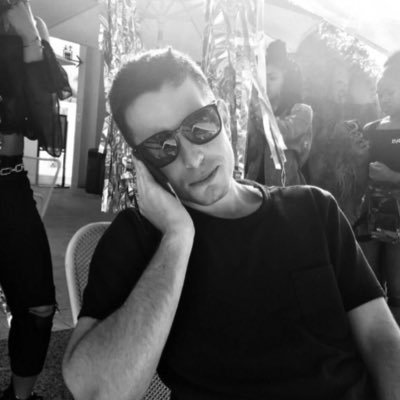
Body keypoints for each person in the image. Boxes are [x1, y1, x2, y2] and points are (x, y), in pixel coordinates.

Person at [62, 48, 400, 400]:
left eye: (200, 126)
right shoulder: (139, 237)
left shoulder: (314, 209)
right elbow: (95, 391)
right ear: (143, 163)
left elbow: (380, 336)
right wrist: (177, 238)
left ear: (222, 115)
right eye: (161, 147)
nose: (193, 158)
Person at [0, 1, 71, 399]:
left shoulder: (28, 26)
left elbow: (45, 127)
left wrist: (30, 39)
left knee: (39, 306)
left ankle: (20, 397)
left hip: (9, 182)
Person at [360, 51, 400, 325]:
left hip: (398, 217)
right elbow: (357, 172)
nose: (384, 98)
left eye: (390, 92)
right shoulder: (370, 129)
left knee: (397, 287)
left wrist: (392, 176)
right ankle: (375, 335)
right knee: (370, 282)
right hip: (370, 214)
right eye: (380, 93)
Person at [245, 40, 313, 186]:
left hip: (287, 192)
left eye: (272, 78)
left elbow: (281, 133)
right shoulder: (253, 111)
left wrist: (256, 107)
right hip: (254, 189)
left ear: (285, 81)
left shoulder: (302, 111)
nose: (265, 83)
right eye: (261, 78)